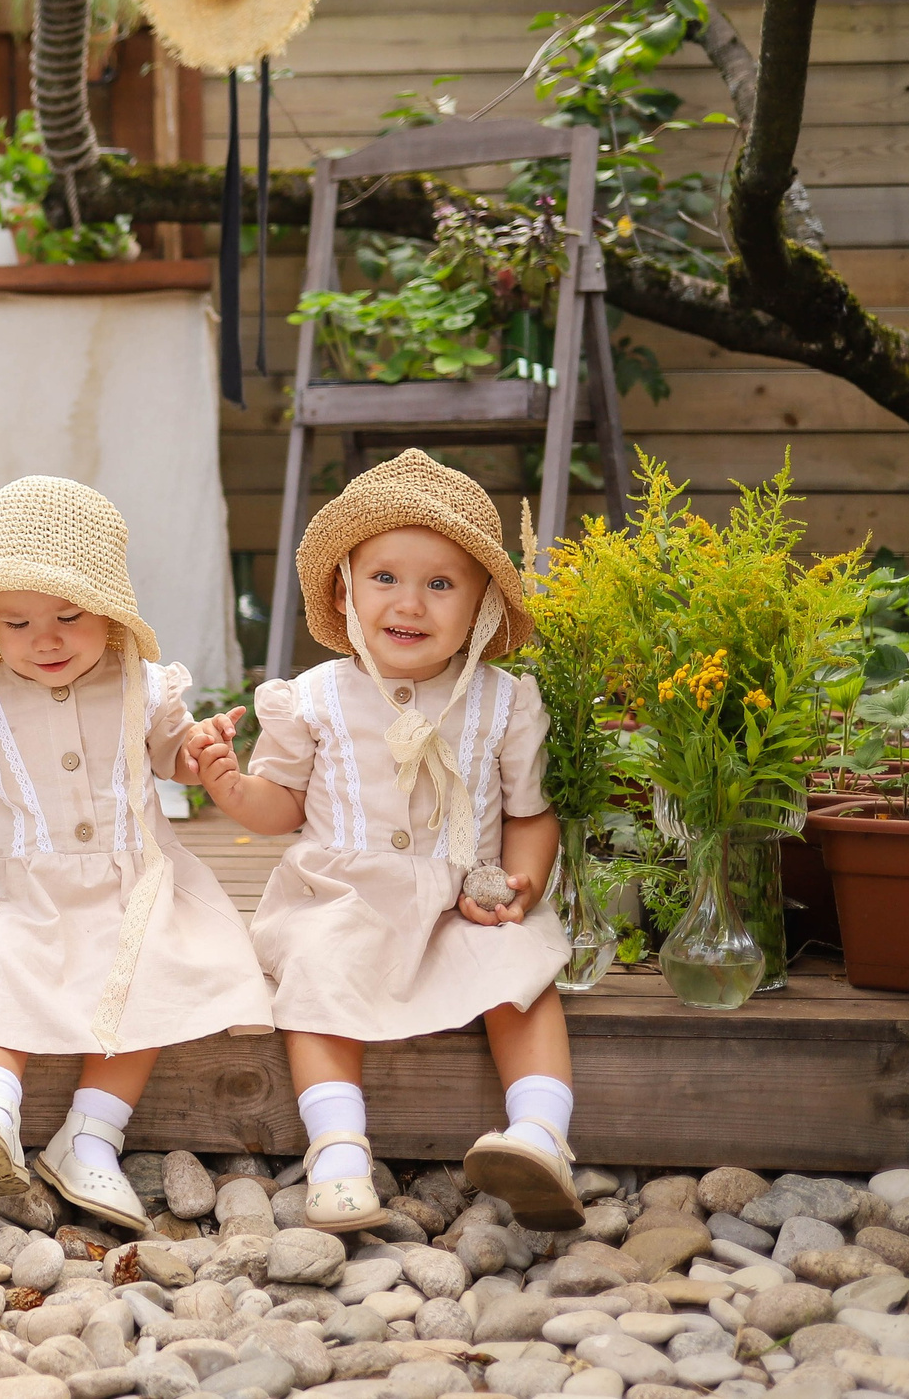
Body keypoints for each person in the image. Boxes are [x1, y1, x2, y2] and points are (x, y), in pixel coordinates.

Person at [0, 476, 273, 1232]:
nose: (47, 639)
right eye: (18, 622)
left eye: (71, 616)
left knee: (153, 976)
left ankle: (91, 1138)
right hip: (17, 887)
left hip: (132, 885)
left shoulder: (144, 686)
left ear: (111, 615)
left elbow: (172, 758)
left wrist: (198, 747)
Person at [189, 450, 582, 1233]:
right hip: (345, 897)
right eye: (385, 579)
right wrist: (228, 786)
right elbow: (282, 806)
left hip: (459, 900)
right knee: (317, 978)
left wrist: (523, 885)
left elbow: (533, 814)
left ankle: (541, 1137)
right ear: (346, 590)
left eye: (441, 584)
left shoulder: (504, 703)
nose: (410, 603)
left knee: (522, 973)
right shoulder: (314, 698)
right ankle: (337, 1152)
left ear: (481, 607)